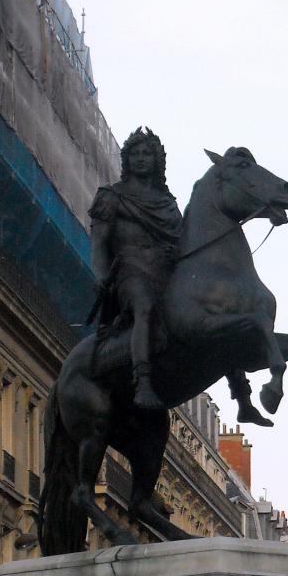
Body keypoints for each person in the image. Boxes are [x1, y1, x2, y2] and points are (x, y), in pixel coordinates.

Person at [88, 127, 182, 410]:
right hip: (130, 272)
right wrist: (101, 276)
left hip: (164, 272)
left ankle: (239, 385)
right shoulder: (111, 196)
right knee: (144, 306)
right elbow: (99, 244)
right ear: (126, 160)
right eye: (135, 154)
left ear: (157, 161)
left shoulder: (167, 204)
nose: (141, 159)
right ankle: (142, 380)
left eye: (147, 154)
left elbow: (182, 240)